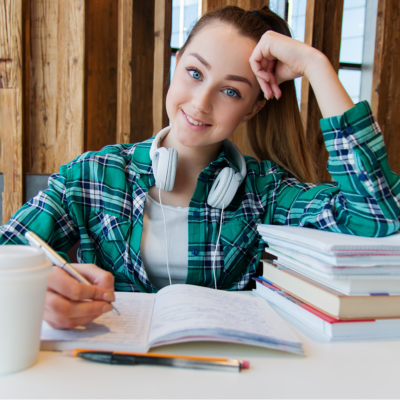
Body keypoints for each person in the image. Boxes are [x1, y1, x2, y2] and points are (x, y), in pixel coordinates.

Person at [1, 6, 399, 329]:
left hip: (228, 376)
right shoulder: (91, 176)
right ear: (176, 64)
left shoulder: (268, 192)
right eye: (194, 72)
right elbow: (7, 253)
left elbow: (376, 213)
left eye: (231, 91)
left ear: (254, 107)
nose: (201, 103)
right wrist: (35, 290)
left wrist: (315, 65)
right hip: (111, 371)